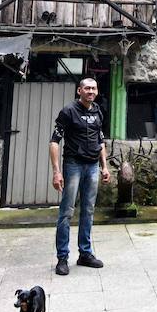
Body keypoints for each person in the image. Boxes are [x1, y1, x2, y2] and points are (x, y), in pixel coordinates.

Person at [49, 76, 111, 275]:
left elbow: (100, 140)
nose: (90, 92)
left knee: (88, 210)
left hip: (93, 166)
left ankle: (85, 253)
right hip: (73, 165)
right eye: (87, 88)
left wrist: (105, 167)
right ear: (79, 91)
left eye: (93, 88)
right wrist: (56, 172)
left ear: (97, 91)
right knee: (67, 211)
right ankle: (62, 258)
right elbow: (54, 141)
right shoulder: (68, 111)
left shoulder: (98, 111)